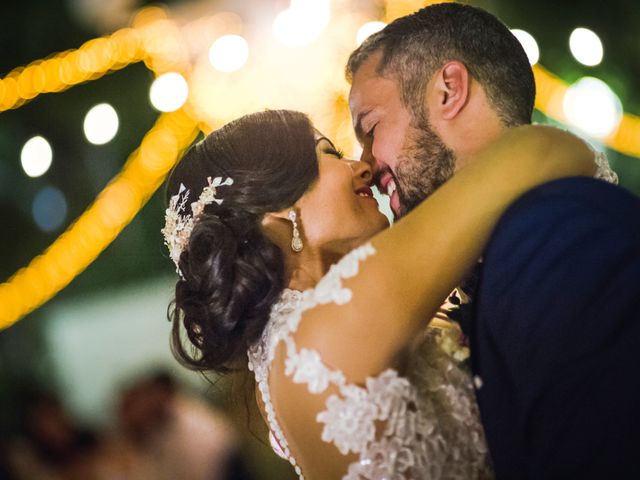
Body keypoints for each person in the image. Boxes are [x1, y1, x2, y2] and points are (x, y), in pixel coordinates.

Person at [163, 108, 597, 479]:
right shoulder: (324, 331)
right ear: (275, 207)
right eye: (329, 153)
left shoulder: (283, 356)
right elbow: (542, 149)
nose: (362, 165)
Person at [346, 3, 638, 478]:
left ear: (448, 90)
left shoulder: (556, 237)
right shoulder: (524, 238)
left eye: (372, 127)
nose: (366, 164)